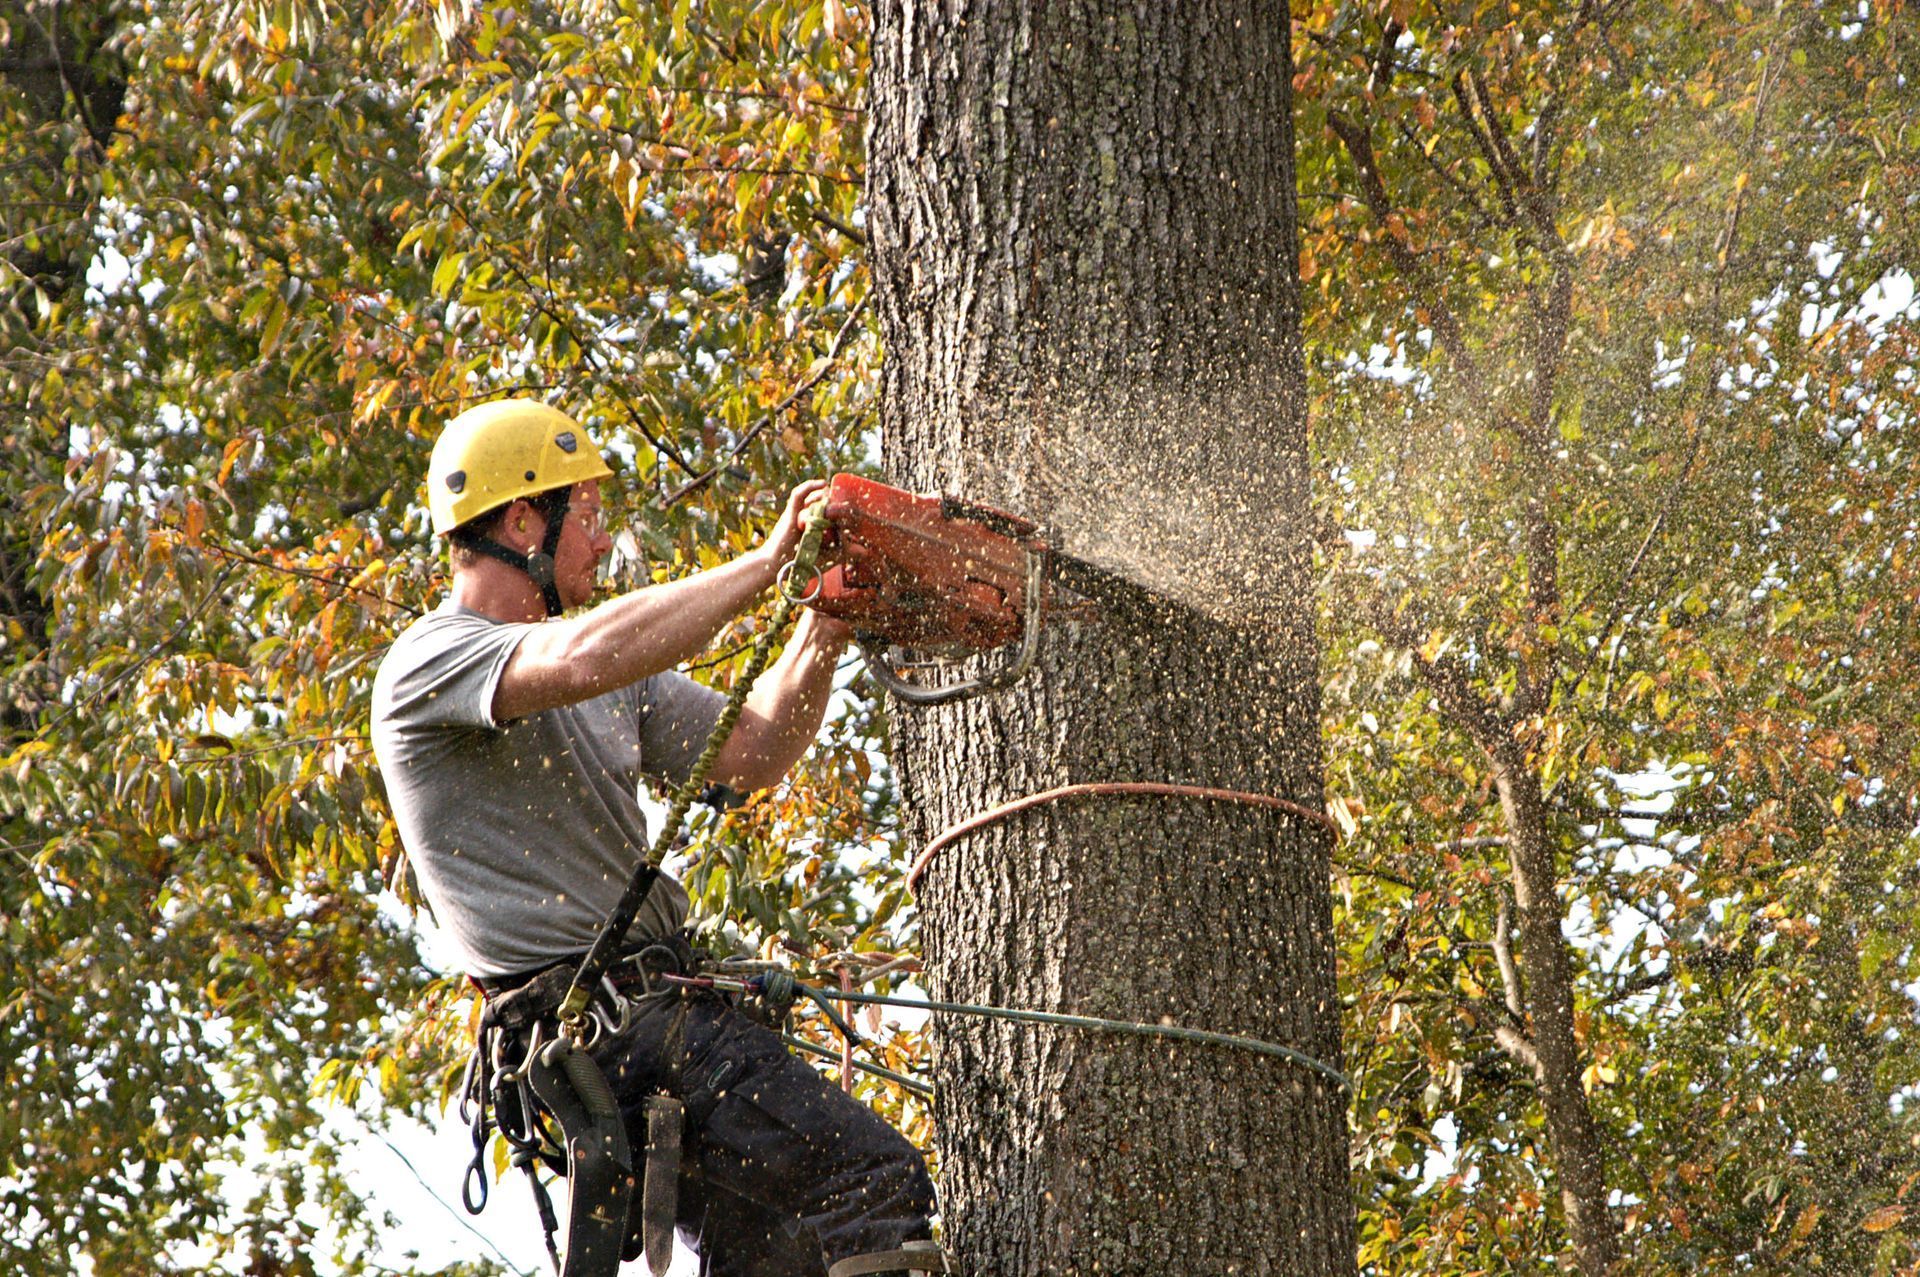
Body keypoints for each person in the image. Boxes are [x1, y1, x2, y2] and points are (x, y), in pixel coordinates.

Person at [370, 399, 952, 1277]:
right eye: (590, 517)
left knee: (784, 1254)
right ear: (524, 519)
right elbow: (579, 659)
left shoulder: (607, 671)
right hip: (614, 1034)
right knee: (872, 1180)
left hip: (661, 1027)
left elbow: (750, 751)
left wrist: (822, 623)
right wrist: (763, 564)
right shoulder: (433, 660)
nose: (602, 544)